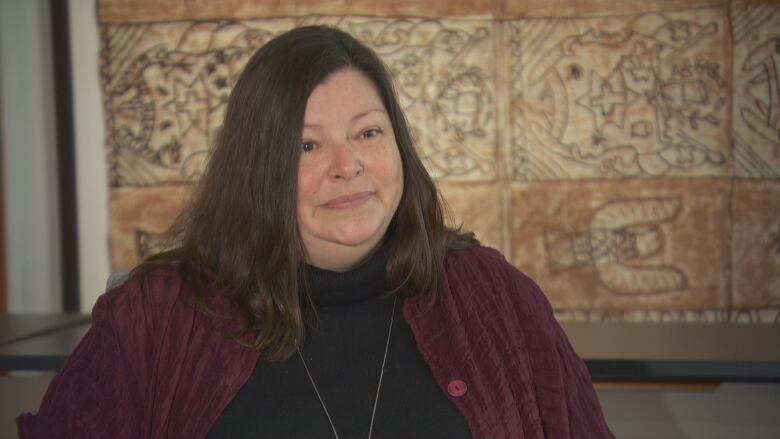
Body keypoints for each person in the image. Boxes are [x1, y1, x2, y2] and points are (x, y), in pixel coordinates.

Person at [18, 26, 613, 438]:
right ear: (258, 169)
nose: (346, 165)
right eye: (307, 145)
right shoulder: (153, 318)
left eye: (367, 134)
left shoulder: (495, 296)